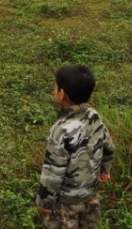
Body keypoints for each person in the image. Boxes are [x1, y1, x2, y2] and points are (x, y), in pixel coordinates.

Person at [36, 65, 115, 229]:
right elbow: (108, 146)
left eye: (55, 86)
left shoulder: (60, 129)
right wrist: (105, 170)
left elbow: (53, 171)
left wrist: (45, 202)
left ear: (62, 93)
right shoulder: (94, 116)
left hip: (66, 202)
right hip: (90, 193)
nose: (54, 89)